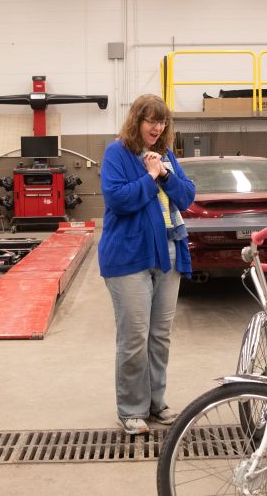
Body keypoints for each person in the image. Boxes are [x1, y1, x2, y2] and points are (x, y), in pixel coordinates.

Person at [98, 94, 196, 435]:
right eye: (151, 120)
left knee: (159, 336)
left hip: (167, 253)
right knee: (134, 338)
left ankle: (156, 402)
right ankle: (130, 409)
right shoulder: (117, 154)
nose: (157, 127)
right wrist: (152, 178)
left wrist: (165, 175)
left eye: (162, 121)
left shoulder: (166, 156)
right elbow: (118, 199)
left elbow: (187, 195)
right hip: (129, 258)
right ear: (136, 121)